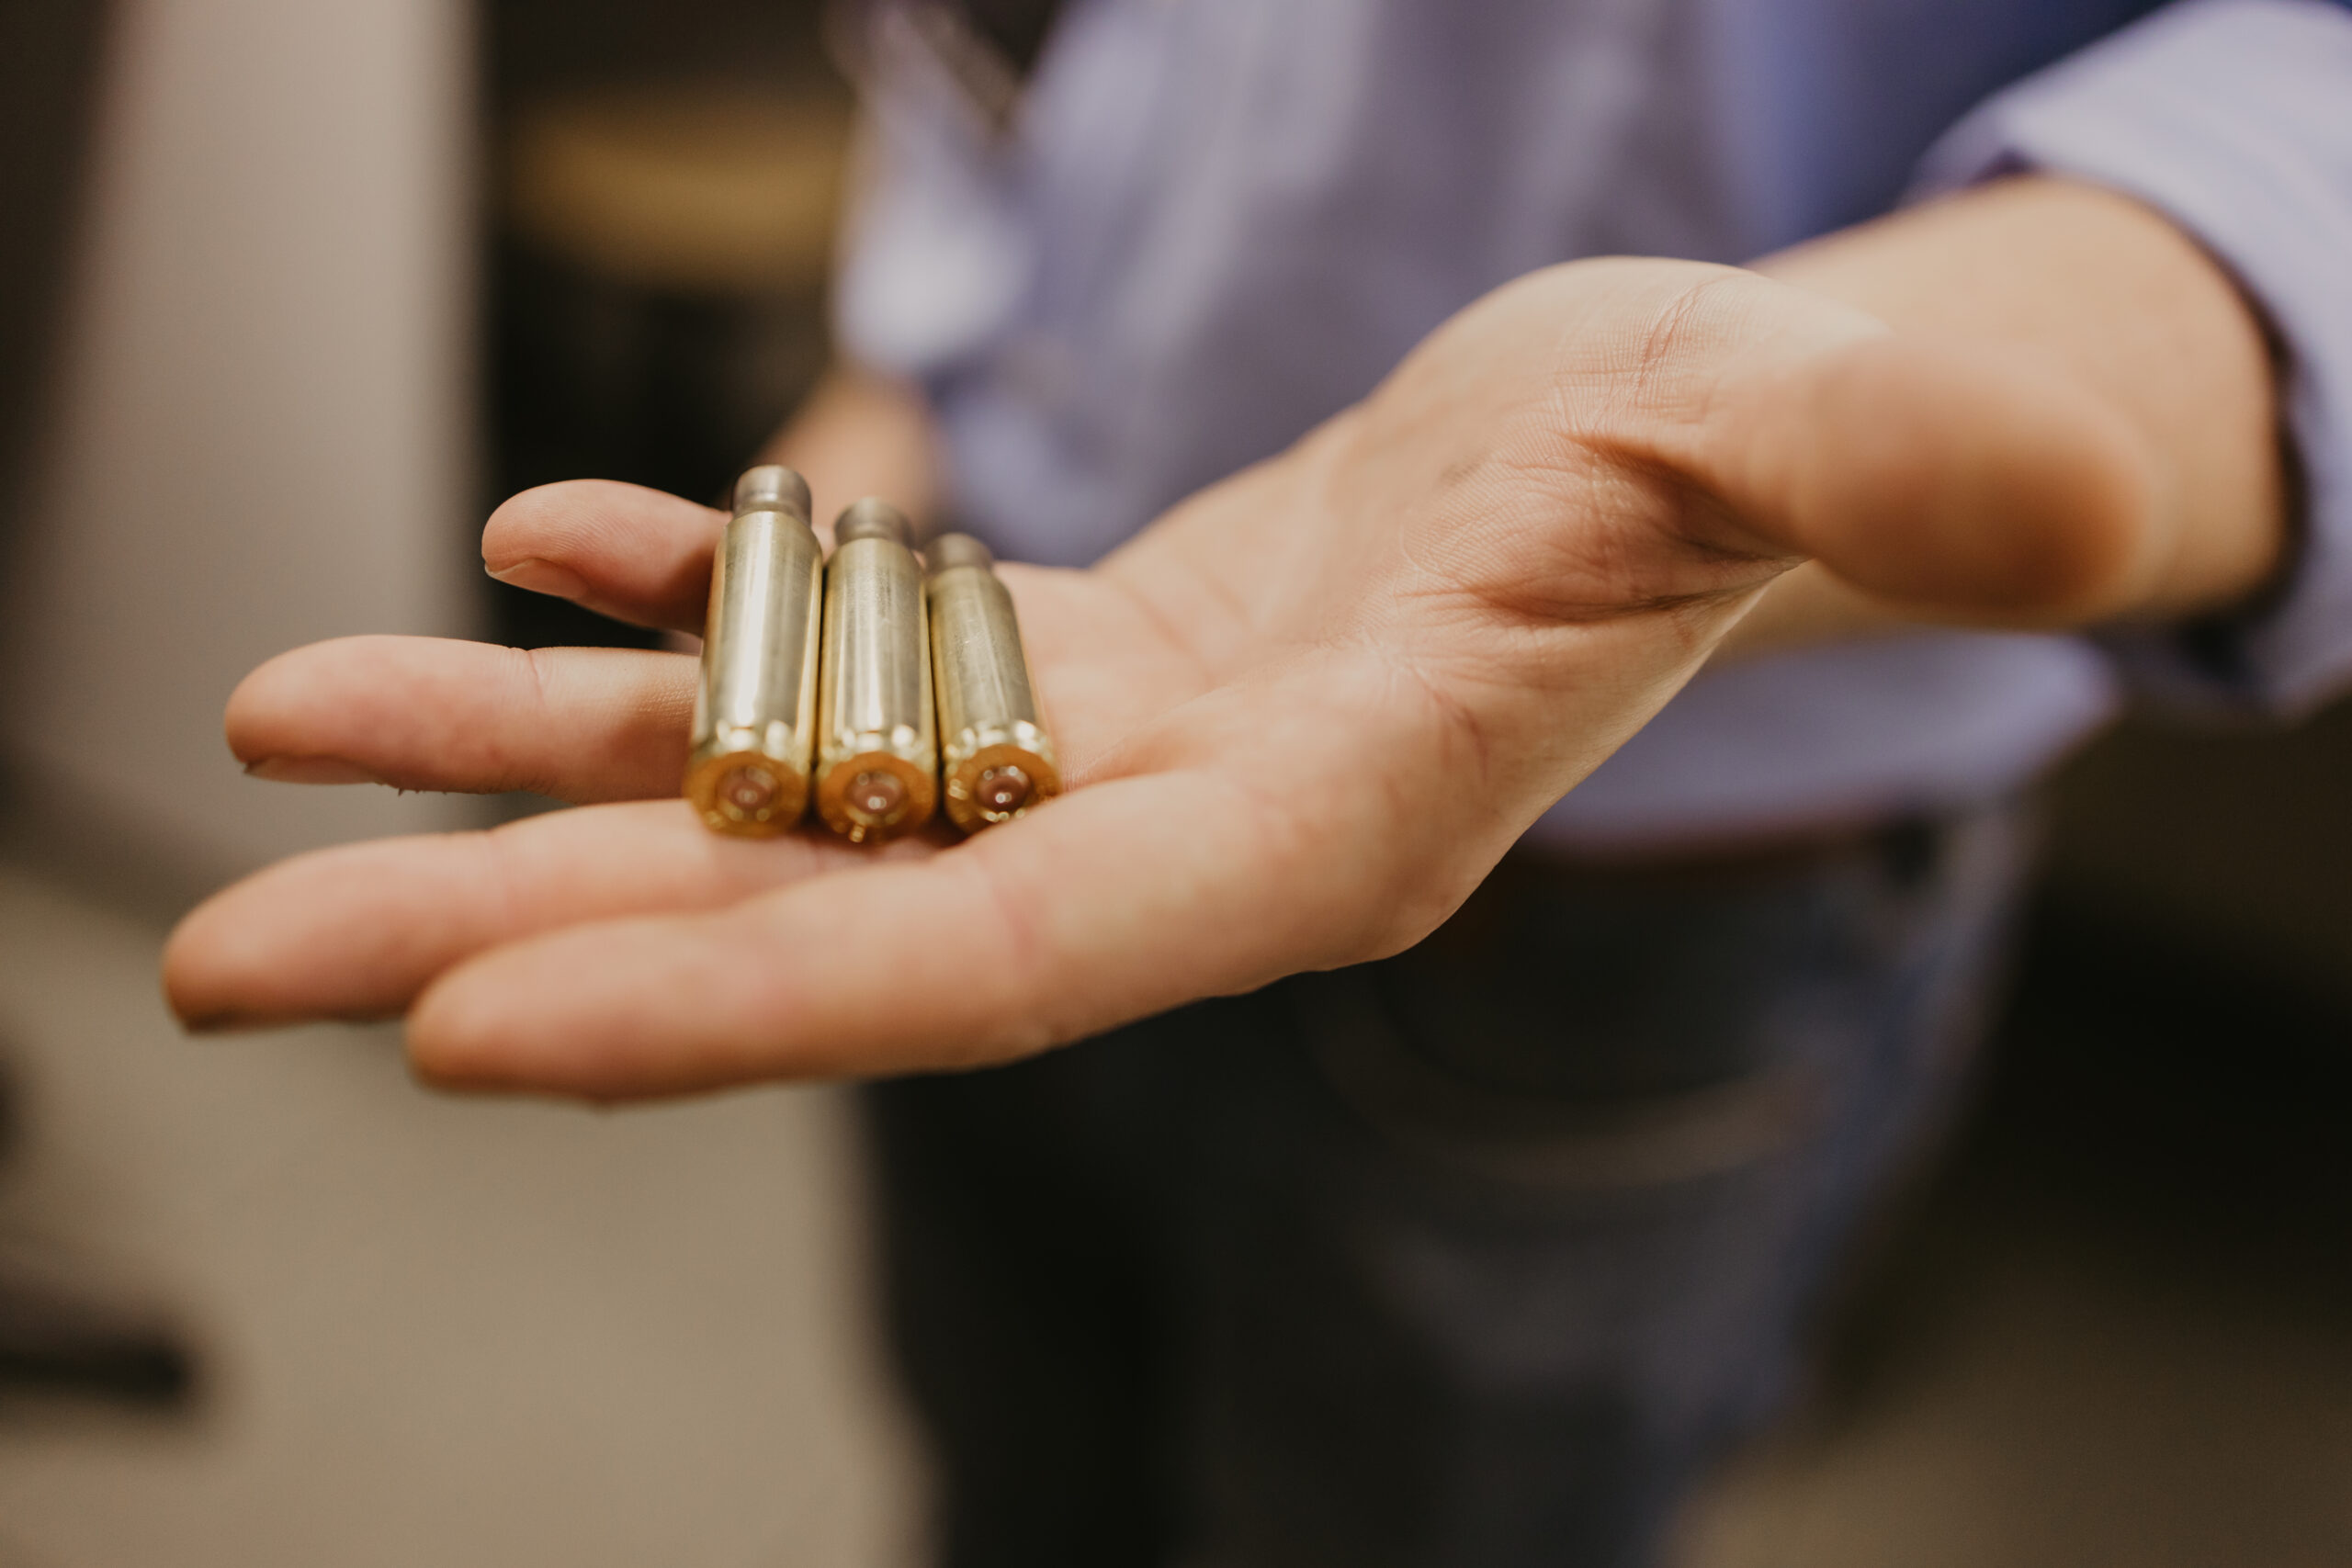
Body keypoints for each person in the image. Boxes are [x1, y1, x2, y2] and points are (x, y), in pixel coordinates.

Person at [165, 0, 2352, 1562]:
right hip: (1020, 662)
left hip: (1651, 902)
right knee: (1011, 1480)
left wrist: (2128, 312)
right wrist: (900, 359)